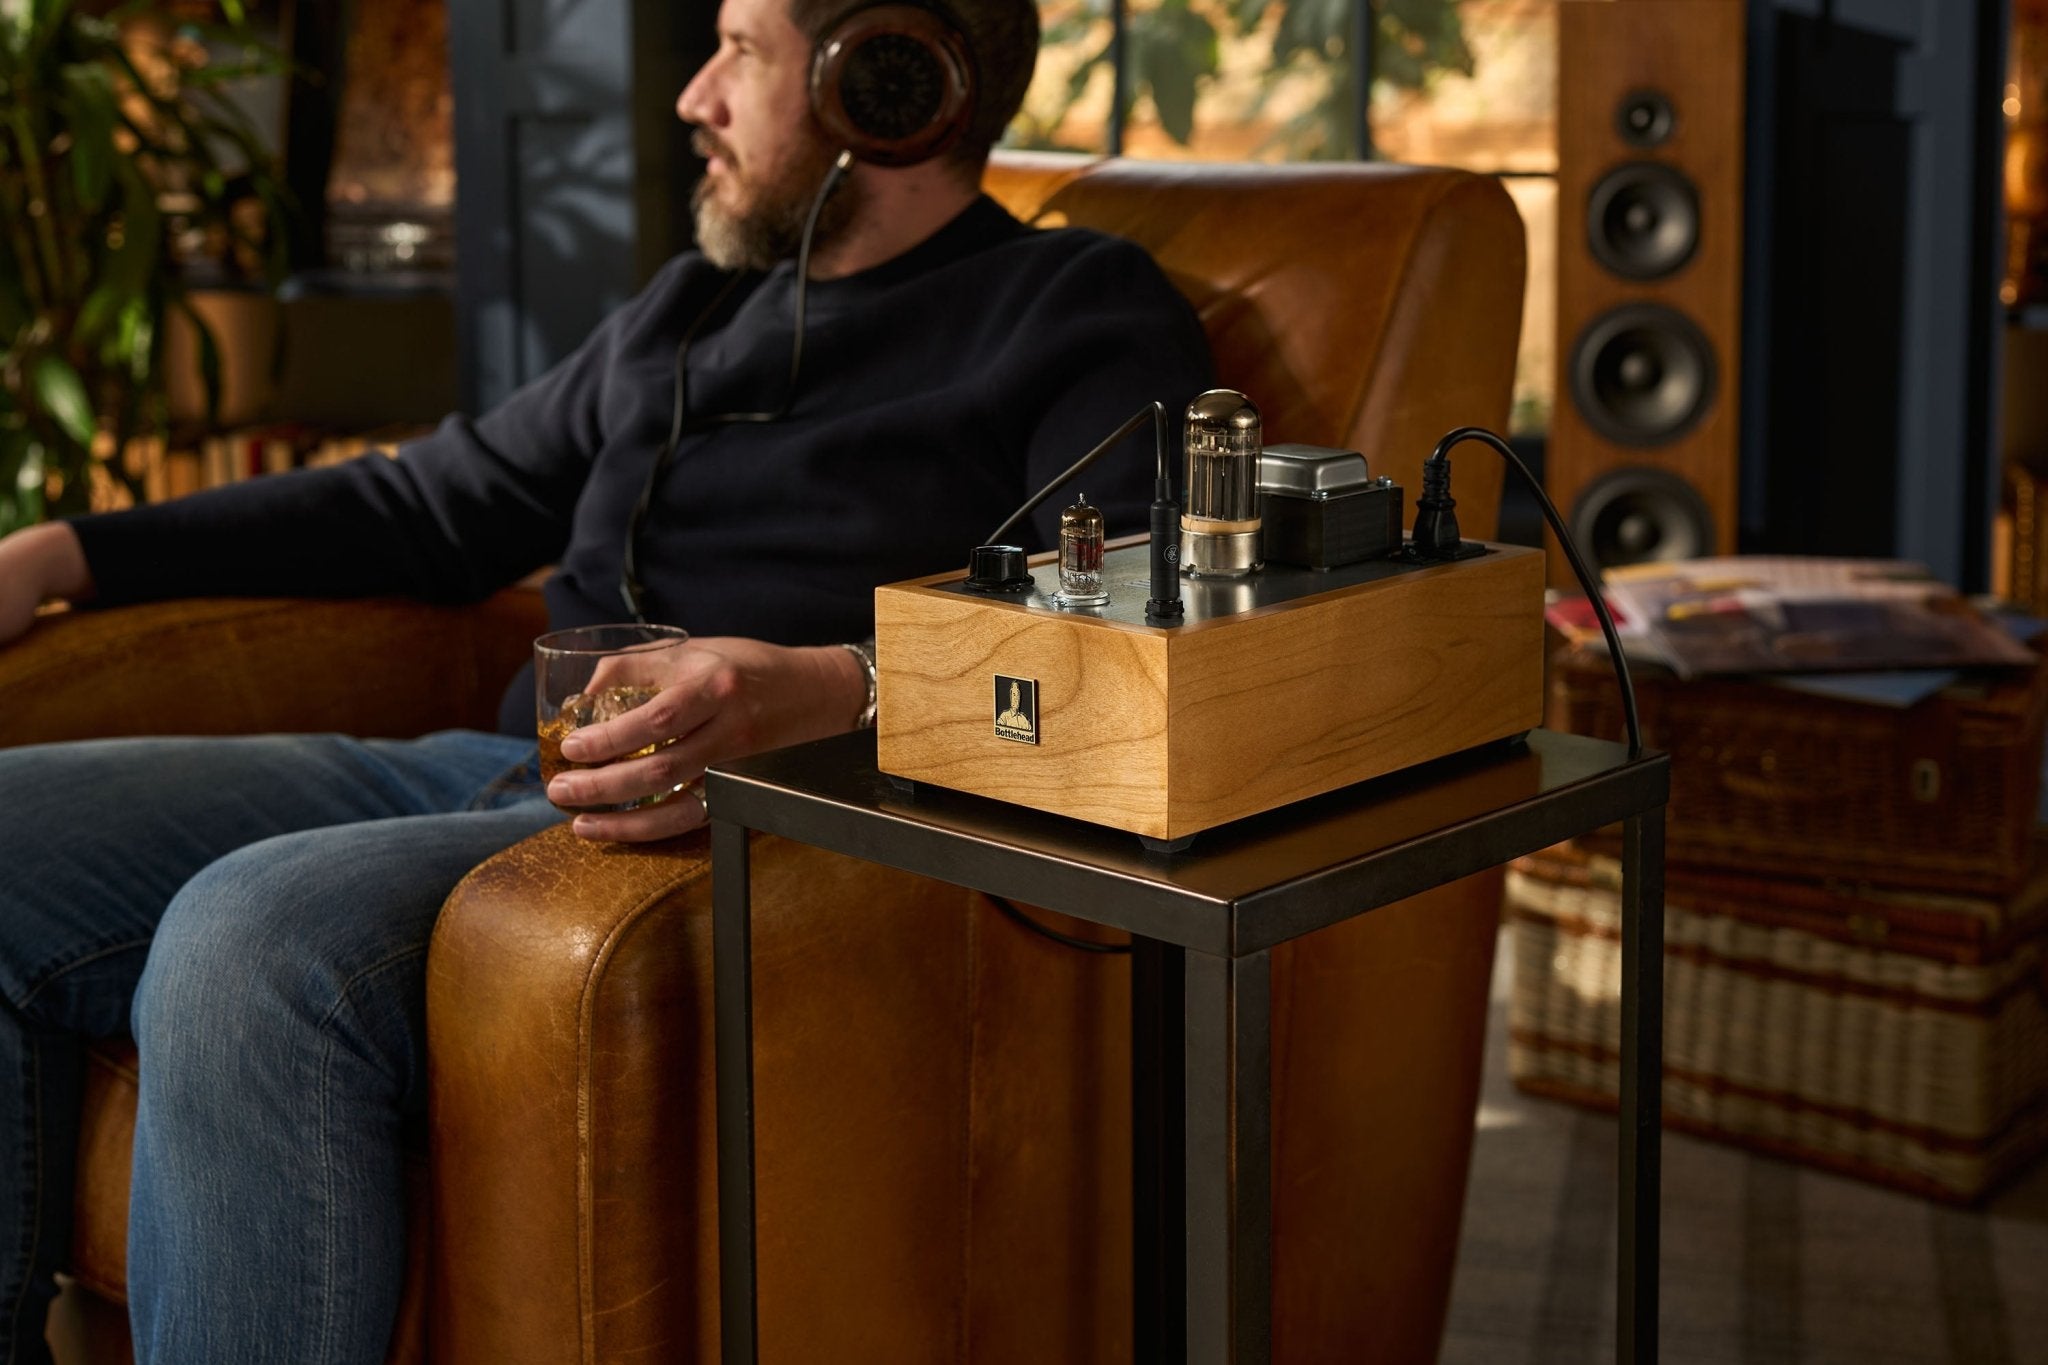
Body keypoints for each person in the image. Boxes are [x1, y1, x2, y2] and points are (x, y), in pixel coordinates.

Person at [0, 0, 1212, 1354]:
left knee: (250, 935)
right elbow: (432, 505)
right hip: (497, 773)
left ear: (887, 84)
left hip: (754, 834)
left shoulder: (1077, 309)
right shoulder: (690, 308)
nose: (693, 98)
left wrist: (834, 684)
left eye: (740, 53)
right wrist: (65, 553)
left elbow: (1123, 642)